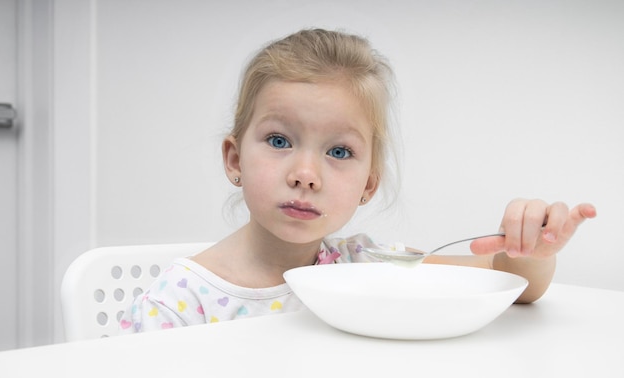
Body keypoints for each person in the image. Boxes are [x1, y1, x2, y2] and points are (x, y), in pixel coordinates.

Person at [119, 28, 596, 334]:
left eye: (339, 152)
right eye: (280, 141)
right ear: (234, 158)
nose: (305, 176)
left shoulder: (361, 262)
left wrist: (530, 250)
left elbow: (514, 282)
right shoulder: (180, 305)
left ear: (369, 184)